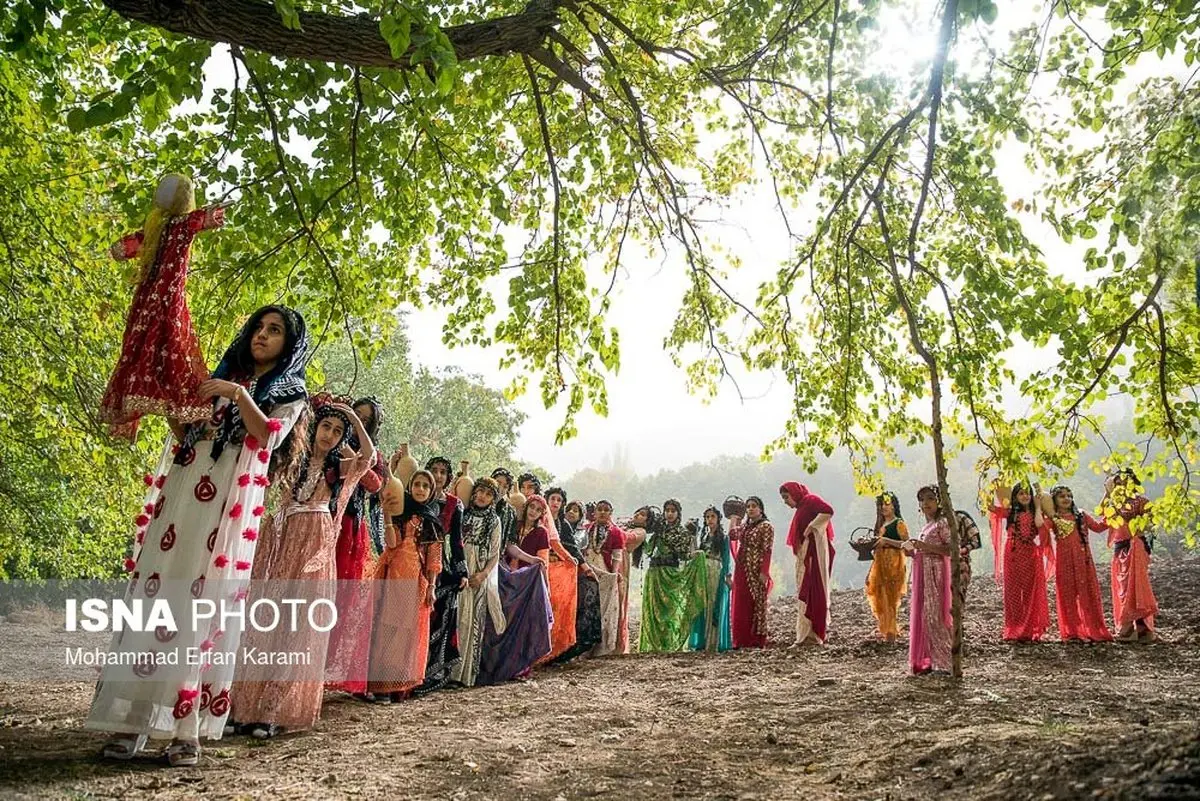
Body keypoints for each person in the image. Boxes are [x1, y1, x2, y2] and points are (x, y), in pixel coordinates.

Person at [88, 305, 310, 766]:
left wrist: (237, 394)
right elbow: (185, 428)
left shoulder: (290, 392)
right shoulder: (217, 379)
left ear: (288, 343)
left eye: (274, 331)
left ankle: (184, 731)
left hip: (228, 507)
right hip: (185, 497)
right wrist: (172, 402)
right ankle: (135, 723)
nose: (262, 336)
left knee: (202, 607)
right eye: (258, 328)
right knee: (160, 596)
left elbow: (266, 437)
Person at [232, 398, 375, 738]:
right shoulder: (290, 458)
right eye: (326, 427)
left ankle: (272, 711)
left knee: (297, 626)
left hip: (313, 540)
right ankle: (244, 708)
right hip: (278, 539)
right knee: (266, 619)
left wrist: (354, 419)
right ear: (315, 427)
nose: (330, 435)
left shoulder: (336, 468)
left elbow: (367, 458)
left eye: (338, 432)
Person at [324, 396, 388, 697]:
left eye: (364, 418)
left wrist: (356, 457)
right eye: (354, 415)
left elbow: (376, 486)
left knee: (350, 601)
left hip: (352, 526)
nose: (358, 420)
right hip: (322, 522)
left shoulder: (374, 454)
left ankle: (347, 676)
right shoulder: (328, 441)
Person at [367, 472, 443, 701]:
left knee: (405, 634)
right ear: (409, 486)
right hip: (393, 575)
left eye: (425, 486)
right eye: (417, 484)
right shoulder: (401, 513)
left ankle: (396, 686)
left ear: (431, 491)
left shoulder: (431, 520)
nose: (420, 489)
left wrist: (431, 587)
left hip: (415, 579)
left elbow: (433, 558)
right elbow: (391, 543)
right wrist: (389, 515)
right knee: (386, 628)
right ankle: (379, 686)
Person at [416, 457, 468, 694]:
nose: (437, 476)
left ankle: (431, 672)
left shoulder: (453, 504)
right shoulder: (417, 496)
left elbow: (456, 541)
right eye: (433, 471)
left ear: (449, 477)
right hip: (413, 564)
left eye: (442, 472)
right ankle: (410, 670)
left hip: (441, 568)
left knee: (439, 619)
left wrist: (462, 571)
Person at [451, 479, 507, 686]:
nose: (483, 497)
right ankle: (450, 672)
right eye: (480, 492)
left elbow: (495, 554)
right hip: (461, 569)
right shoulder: (463, 514)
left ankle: (465, 675)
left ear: (493, 499)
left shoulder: (495, 521)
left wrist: (482, 575)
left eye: (488, 494)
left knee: (472, 621)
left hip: (478, 573)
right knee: (458, 619)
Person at [1042, 485, 1112, 642]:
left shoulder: (1081, 515)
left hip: (1084, 561)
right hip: (1065, 561)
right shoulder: (1053, 519)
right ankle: (1073, 631)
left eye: (1069, 495)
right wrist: (1041, 508)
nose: (1066, 498)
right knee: (1068, 596)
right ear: (1054, 500)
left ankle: (1093, 629)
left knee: (1089, 594)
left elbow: (1099, 527)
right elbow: (1040, 529)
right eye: (1062, 496)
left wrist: (1110, 506)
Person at [639, 499, 707, 653]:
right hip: (655, 573)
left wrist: (697, 554)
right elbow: (648, 549)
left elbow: (685, 555)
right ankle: (655, 644)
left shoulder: (683, 533)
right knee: (654, 609)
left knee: (670, 609)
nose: (669, 514)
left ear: (678, 514)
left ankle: (669, 643)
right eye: (667, 510)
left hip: (671, 574)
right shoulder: (658, 530)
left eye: (673, 511)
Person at [521, 494, 579, 663]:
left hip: (531, 578)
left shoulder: (542, 532)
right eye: (531, 507)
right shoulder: (515, 526)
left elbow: (548, 553)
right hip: (511, 576)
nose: (534, 512)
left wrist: (568, 558)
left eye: (539, 510)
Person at [1102, 470, 1157, 643]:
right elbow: (1103, 513)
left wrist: (1135, 532)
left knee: (1136, 586)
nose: (1122, 485)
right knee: (1123, 587)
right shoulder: (1113, 503)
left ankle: (1140, 629)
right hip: (1120, 547)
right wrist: (1108, 489)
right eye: (1118, 482)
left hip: (1135, 546)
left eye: (1125, 481)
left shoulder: (1141, 501)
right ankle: (1132, 627)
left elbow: (1150, 523)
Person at [904, 486, 953, 675]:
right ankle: (927, 660)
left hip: (936, 572)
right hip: (922, 572)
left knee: (935, 615)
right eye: (923, 500)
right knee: (924, 615)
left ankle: (944, 662)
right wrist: (913, 551)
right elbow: (924, 549)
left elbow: (950, 549)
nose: (926, 503)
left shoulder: (942, 523)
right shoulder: (926, 525)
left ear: (939, 501)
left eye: (931, 499)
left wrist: (925, 546)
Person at [780, 482, 836, 646]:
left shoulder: (810, 500)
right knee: (804, 589)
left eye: (786, 497)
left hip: (813, 552)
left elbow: (828, 511)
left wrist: (811, 528)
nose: (785, 501)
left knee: (811, 587)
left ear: (794, 493)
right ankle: (804, 634)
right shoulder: (801, 508)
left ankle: (812, 634)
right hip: (805, 552)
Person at [1001, 483, 1051, 642]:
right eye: (1021, 494)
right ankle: (1015, 627)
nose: (1025, 496)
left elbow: (1039, 524)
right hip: (1012, 554)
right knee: (1013, 591)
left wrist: (1037, 506)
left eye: (1027, 493)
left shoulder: (1036, 513)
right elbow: (993, 509)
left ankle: (1029, 628)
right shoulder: (1010, 513)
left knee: (1030, 591)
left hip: (1030, 554)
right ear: (1015, 497)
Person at [579, 499, 627, 656]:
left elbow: (617, 555)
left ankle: (602, 648)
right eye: (600, 509)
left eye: (606, 510)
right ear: (594, 513)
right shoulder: (586, 529)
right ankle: (584, 646)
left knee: (604, 606)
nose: (602, 512)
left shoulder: (616, 532)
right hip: (588, 567)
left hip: (604, 570)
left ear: (611, 513)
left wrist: (613, 574)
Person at [729, 497, 774, 648]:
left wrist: (765, 572)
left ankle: (755, 639)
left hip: (756, 569)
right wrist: (734, 518)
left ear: (761, 508)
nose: (750, 509)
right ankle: (740, 639)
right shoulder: (745, 526)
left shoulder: (766, 526)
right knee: (741, 602)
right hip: (742, 569)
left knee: (756, 603)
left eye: (754, 506)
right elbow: (732, 535)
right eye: (748, 507)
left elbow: (767, 550)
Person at [866, 491, 909, 641]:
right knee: (879, 595)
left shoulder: (899, 524)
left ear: (894, 506)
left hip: (894, 563)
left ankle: (891, 631)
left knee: (891, 597)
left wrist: (887, 542)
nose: (883, 507)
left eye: (886, 504)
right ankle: (885, 628)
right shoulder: (880, 525)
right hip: (880, 563)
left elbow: (907, 545)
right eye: (881, 505)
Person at [689, 506, 733, 652]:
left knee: (715, 603)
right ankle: (703, 640)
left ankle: (713, 641)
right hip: (704, 572)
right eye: (707, 517)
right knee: (704, 603)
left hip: (716, 571)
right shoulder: (704, 537)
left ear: (718, 519)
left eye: (712, 517)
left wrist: (727, 576)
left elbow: (726, 558)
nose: (710, 520)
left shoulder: (723, 538)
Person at [490, 468, 519, 545]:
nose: (500, 488)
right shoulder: (476, 501)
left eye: (505, 487)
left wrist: (530, 557)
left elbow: (510, 544)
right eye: (498, 483)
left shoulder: (510, 513)